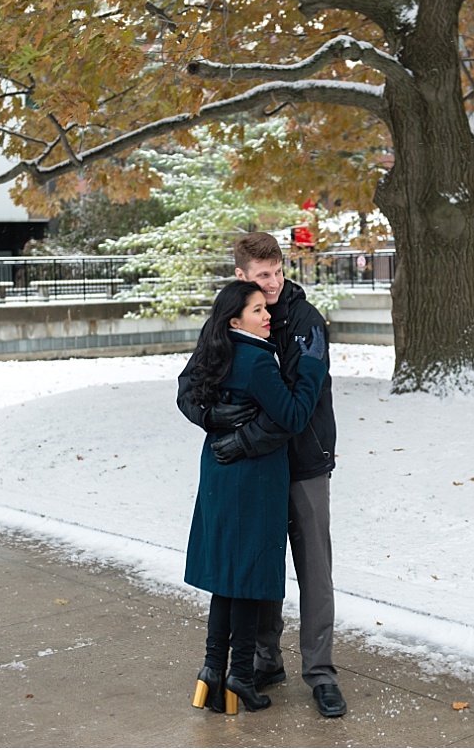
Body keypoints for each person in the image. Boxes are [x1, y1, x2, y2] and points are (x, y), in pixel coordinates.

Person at [177, 231, 346, 718]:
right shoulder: (238, 315)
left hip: (305, 462)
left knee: (314, 570)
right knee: (258, 564)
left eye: (277, 272)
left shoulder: (306, 322)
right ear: (242, 276)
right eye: (262, 276)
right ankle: (261, 660)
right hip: (257, 473)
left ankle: (320, 673)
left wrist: (242, 439)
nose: (273, 284)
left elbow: (296, 405)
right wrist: (213, 420)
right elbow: (191, 387)